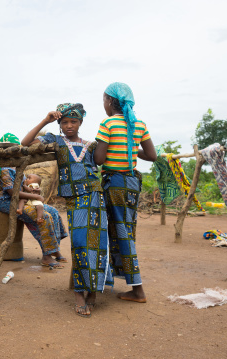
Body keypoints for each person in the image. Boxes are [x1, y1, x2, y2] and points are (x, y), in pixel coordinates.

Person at [22, 103, 113, 318]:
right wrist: (46, 120)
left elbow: (101, 161)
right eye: (65, 122)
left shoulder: (91, 144)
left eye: (74, 121)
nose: (69, 125)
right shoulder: (55, 140)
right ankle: (80, 294)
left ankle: (93, 290)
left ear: (81, 122)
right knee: (81, 243)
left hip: (95, 196)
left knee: (97, 243)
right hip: (75, 200)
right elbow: (25, 143)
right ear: (60, 124)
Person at [94, 82, 157, 304]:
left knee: (121, 234)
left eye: (103, 100)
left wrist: (104, 148)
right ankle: (114, 282)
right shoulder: (138, 124)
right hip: (132, 183)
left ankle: (138, 290)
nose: (103, 105)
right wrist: (131, 148)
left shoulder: (108, 123)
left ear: (110, 101)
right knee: (124, 231)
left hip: (115, 183)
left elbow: (99, 160)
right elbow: (152, 155)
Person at [0, 133, 68, 269]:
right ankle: (47, 256)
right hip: (7, 202)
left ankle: (54, 249)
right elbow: (11, 192)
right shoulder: (5, 168)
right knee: (44, 216)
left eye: (17, 148)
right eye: (12, 148)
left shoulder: (17, 166)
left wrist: (32, 192)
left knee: (54, 211)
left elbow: (22, 187)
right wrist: (36, 197)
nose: (16, 151)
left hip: (22, 200)